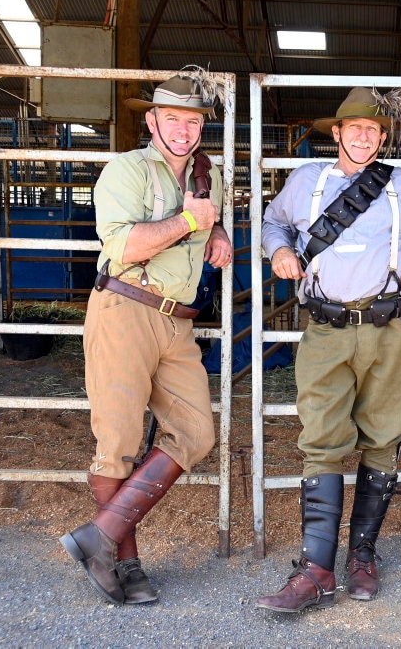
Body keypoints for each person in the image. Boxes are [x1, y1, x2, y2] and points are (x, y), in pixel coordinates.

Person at [257, 87, 401, 613]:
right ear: (338, 133)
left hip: (390, 329)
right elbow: (272, 222)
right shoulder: (305, 182)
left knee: (384, 437)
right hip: (325, 330)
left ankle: (362, 555)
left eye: (373, 130)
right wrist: (278, 248)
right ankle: (315, 569)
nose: (364, 136)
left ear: (382, 137)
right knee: (321, 438)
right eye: (355, 129)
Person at [60, 66, 233, 605]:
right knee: (118, 443)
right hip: (125, 308)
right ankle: (125, 562)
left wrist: (219, 229)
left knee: (197, 433)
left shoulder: (210, 176)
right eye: (172, 118)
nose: (183, 129)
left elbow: (208, 215)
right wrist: (189, 222)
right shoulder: (127, 170)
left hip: (177, 321)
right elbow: (125, 247)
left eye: (193, 120)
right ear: (153, 121)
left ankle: (100, 536)